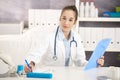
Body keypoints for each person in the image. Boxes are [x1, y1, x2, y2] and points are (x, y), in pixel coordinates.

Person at [24, 5, 104, 73]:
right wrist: (31, 63)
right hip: (49, 74)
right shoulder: (49, 36)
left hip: (68, 75)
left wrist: (94, 65)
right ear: (60, 18)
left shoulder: (76, 38)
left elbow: (80, 61)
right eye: (64, 18)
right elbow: (35, 53)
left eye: (70, 20)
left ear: (75, 22)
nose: (66, 23)